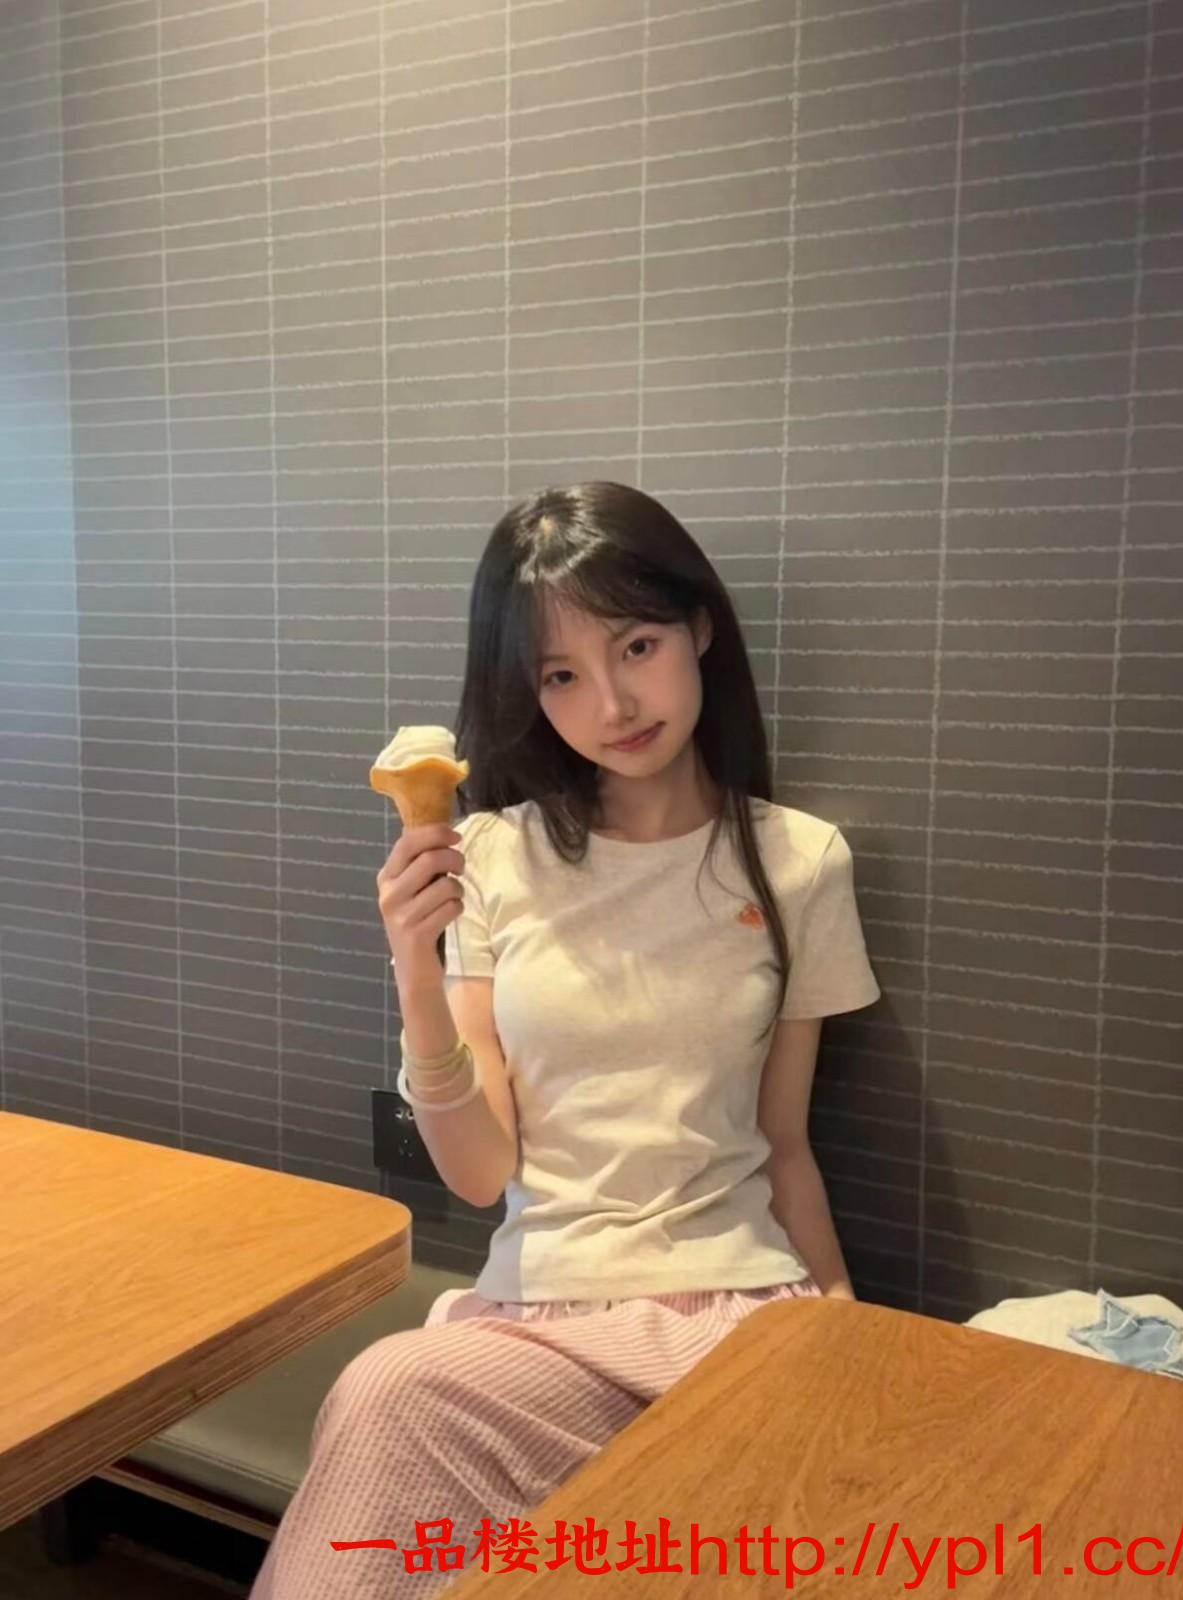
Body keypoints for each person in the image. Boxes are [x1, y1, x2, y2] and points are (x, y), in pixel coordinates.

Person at [248, 481, 881, 1599]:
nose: (612, 703)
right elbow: (479, 1171)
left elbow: (785, 1145)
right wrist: (414, 968)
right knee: (389, 1390)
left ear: (699, 627)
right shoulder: (491, 855)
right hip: (537, 1327)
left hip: (738, 1314)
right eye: (561, 676)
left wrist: (846, 1332)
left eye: (636, 645)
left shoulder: (800, 862)